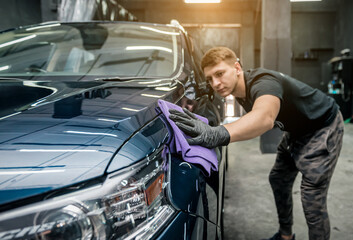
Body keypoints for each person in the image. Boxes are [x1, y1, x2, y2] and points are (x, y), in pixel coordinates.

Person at [168, 46, 344, 240]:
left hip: (322, 126)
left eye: (220, 74)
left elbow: (264, 118)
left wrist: (216, 133)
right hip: (297, 130)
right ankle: (286, 237)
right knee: (278, 179)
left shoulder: (264, 82)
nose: (215, 84)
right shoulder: (238, 89)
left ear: (237, 68)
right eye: (210, 79)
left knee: (312, 196)